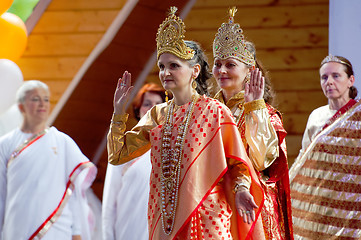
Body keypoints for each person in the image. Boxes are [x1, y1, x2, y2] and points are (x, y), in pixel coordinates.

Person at [107, 6, 266, 239]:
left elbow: (237, 163)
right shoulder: (157, 115)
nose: (165, 72)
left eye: (174, 66)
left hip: (208, 217)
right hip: (164, 217)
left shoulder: (215, 111)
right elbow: (117, 155)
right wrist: (118, 113)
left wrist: (242, 189)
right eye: (162, 66)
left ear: (195, 71)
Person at [212, 7, 294, 239]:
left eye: (230, 64)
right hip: (214, 203)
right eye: (218, 64)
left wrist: (254, 108)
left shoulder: (266, 113)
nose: (222, 70)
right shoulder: (209, 110)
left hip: (251, 206)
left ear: (249, 71)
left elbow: (263, 160)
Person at [0, 80, 97, 240]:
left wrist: (76, 232)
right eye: (35, 99)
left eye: (46, 99)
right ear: (21, 107)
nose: (42, 104)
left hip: (57, 229)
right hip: (16, 230)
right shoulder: (5, 144)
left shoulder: (63, 141)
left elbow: (73, 192)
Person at [290, 55, 360, 239]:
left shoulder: (358, 116)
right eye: (324, 77)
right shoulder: (316, 116)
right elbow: (304, 158)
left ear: (350, 80)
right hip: (319, 200)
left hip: (351, 202)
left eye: (336, 76)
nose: (329, 82)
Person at [102, 83, 166, 240]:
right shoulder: (123, 147)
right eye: (147, 104)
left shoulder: (172, 147)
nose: (153, 108)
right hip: (128, 230)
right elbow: (109, 206)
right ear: (138, 110)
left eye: (158, 104)